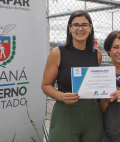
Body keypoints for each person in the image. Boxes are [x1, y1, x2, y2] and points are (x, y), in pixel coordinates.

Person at [41, 10, 103, 142]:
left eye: (84, 25)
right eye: (76, 25)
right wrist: (61, 96)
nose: (80, 28)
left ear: (90, 28)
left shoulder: (96, 55)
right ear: (70, 28)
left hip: (93, 114)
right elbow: (46, 85)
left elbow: (96, 85)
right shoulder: (57, 53)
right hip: (65, 111)